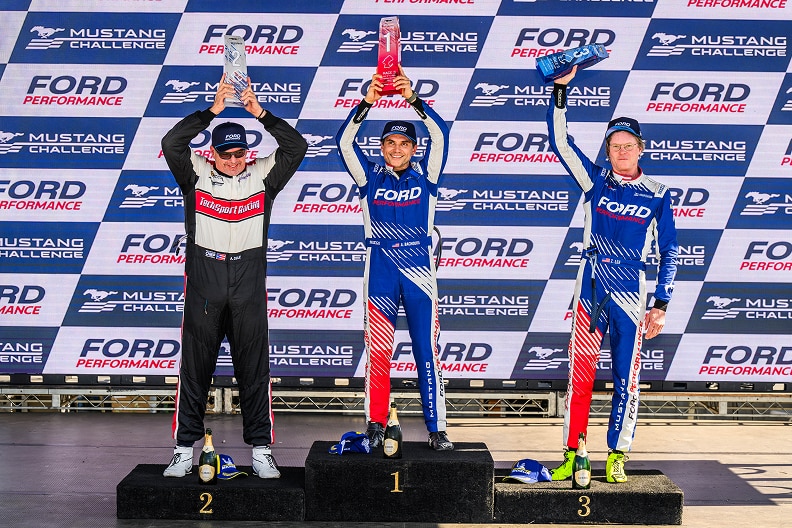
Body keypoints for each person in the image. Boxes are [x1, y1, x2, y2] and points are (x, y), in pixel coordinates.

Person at [160, 75, 308, 478]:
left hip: (248, 280)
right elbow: (172, 143)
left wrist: (260, 113)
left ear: (248, 151)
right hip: (205, 280)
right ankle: (183, 451)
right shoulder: (194, 172)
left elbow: (297, 147)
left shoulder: (263, 175)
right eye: (225, 153)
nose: (232, 160)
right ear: (212, 152)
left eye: (239, 152)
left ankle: (261, 451)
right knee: (194, 370)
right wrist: (211, 111)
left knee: (254, 371)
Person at [546, 66, 678, 483]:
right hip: (591, 286)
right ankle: (573, 453)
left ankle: (618, 454)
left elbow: (670, 251)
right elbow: (561, 143)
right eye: (615, 146)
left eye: (628, 145)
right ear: (607, 151)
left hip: (630, 292)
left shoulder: (658, 194)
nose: (622, 151)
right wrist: (560, 93)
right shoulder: (595, 181)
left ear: (641, 149)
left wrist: (661, 304)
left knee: (627, 377)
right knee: (580, 376)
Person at [335, 67, 454, 451]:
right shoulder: (369, 176)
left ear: (414, 148)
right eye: (390, 143)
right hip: (381, 267)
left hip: (419, 269)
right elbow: (343, 142)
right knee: (379, 351)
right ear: (382, 147)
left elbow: (441, 134)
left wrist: (413, 100)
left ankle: (437, 429)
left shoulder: (428, 176)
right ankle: (375, 423)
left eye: (404, 143)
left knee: (426, 351)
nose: (397, 149)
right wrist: (367, 102)